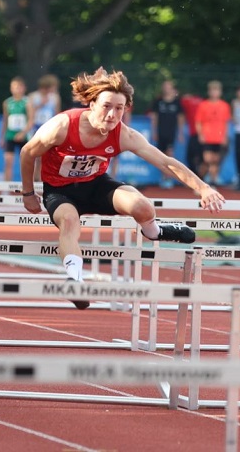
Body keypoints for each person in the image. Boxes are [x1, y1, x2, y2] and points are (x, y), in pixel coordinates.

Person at [19, 68, 224, 309]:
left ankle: (154, 231)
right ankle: (75, 281)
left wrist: (203, 188)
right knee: (70, 222)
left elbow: (165, 162)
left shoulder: (123, 134)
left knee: (142, 205)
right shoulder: (63, 126)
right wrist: (28, 193)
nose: (112, 114)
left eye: (119, 108)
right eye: (107, 106)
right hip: (61, 190)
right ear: (92, 104)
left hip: (96, 185)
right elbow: (27, 153)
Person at [147, 80, 184, 189]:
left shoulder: (177, 102)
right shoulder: (158, 101)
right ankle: (164, 177)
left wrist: (180, 133)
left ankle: (169, 178)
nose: (167, 89)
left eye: (169, 86)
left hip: (171, 132)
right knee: (161, 157)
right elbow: (154, 117)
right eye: (165, 87)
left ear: (173, 88)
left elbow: (181, 118)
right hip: (160, 132)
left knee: (170, 155)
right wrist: (154, 132)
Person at [195, 80, 231, 185]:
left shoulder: (224, 106)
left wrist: (225, 136)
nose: (214, 93)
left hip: (219, 138)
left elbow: (226, 122)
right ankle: (199, 182)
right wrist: (200, 134)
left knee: (215, 161)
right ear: (209, 92)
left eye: (217, 90)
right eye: (212, 90)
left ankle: (213, 182)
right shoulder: (203, 105)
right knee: (207, 161)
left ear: (220, 92)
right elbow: (198, 122)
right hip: (207, 137)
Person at [0, 77, 33, 181]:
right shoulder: (7, 103)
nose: (17, 89)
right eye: (14, 87)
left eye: (19, 87)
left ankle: (27, 187)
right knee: (8, 161)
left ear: (23, 88)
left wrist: (23, 133)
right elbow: (5, 120)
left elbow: (31, 120)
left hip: (24, 136)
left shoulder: (27, 102)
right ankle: (6, 188)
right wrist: (2, 137)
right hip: (10, 135)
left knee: (25, 163)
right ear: (11, 89)